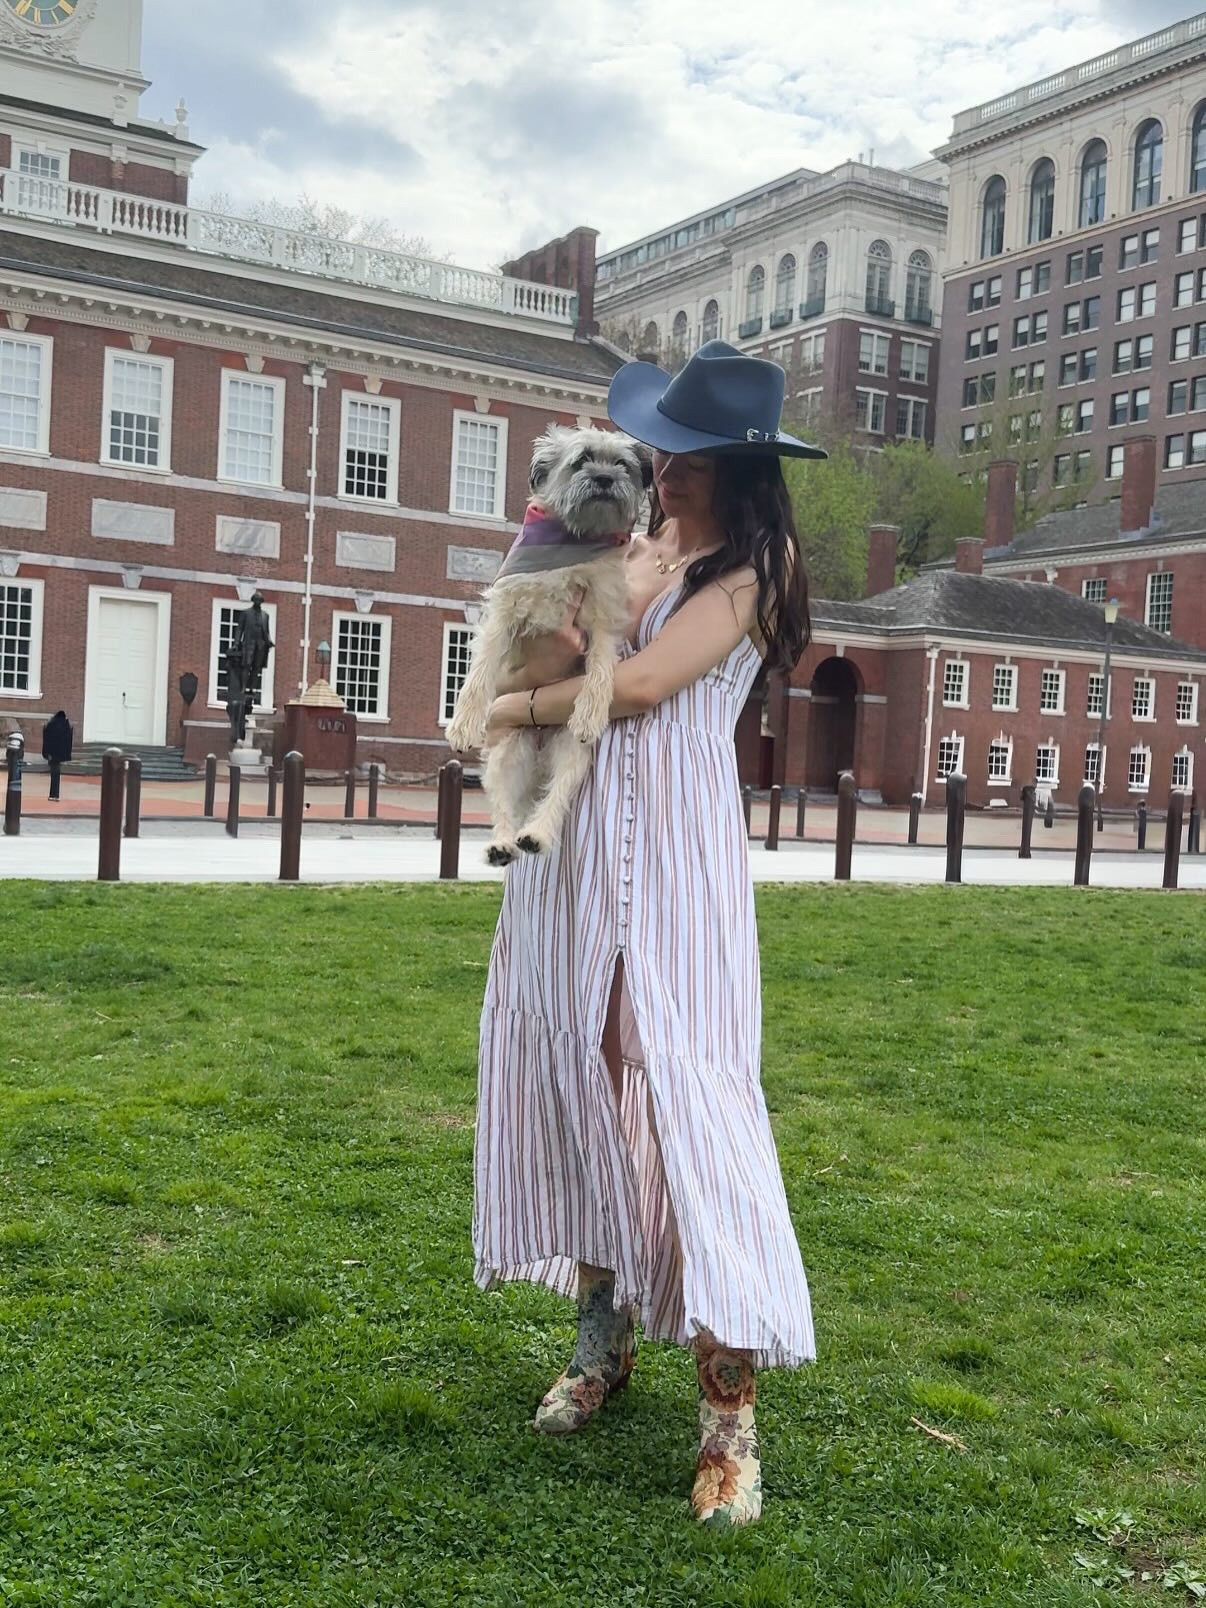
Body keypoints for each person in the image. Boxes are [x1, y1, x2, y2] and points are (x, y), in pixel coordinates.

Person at [471, 340, 826, 1528]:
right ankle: (601, 1340)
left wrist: (506, 711)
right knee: (583, 1079)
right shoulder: (633, 543)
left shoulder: (755, 567)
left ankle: (730, 1425)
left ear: (726, 463)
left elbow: (641, 688)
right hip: (573, 858)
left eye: (673, 448)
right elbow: (560, 651)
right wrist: (561, 572)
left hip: (671, 864)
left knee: (685, 1107)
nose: (652, 460)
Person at [41, 709, 73, 801]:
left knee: (53, 775)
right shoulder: (66, 725)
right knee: (57, 775)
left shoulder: (51, 724)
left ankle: (52, 795)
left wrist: (46, 753)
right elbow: (68, 740)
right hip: (60, 754)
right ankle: (56, 795)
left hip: (52, 754)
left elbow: (46, 738)